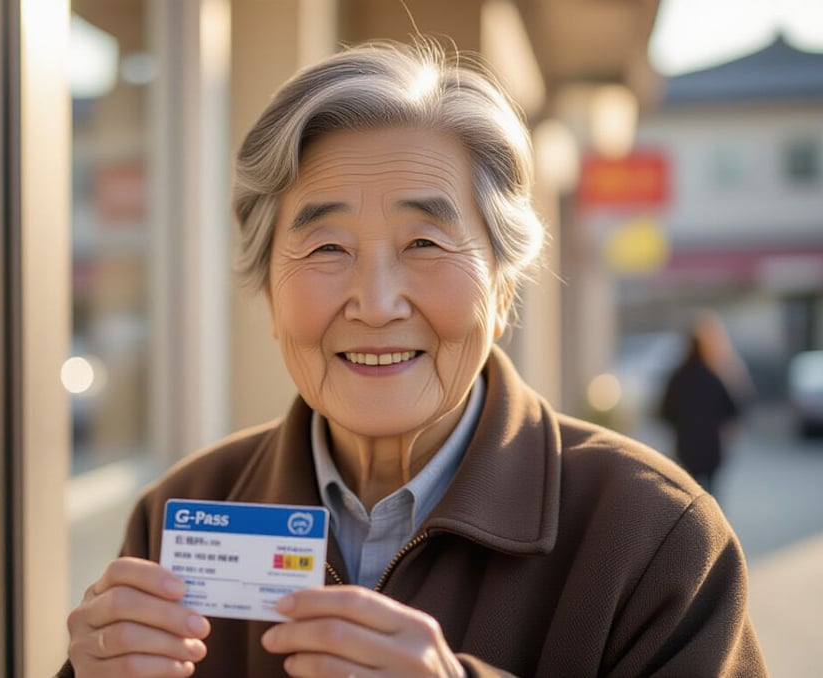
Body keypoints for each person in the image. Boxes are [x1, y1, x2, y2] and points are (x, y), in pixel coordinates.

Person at [62, 40, 766, 677]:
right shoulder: (186, 510)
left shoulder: (653, 536)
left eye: (425, 244)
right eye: (326, 248)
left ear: (502, 289)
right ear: (269, 295)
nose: (374, 302)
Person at [659, 312, 744, 495]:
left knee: (690, 497)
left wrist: (679, 426)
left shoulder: (678, 378)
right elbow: (735, 410)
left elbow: (663, 412)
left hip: (686, 448)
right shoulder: (716, 376)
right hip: (711, 448)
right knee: (712, 498)